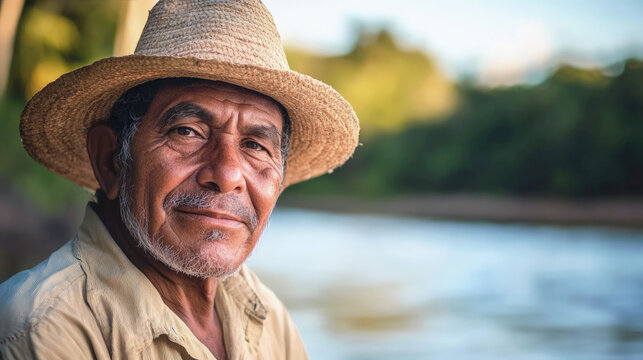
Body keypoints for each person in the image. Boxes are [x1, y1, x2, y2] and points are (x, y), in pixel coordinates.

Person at [0, 0, 359, 359]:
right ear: (110, 160)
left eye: (254, 145)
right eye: (187, 132)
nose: (228, 174)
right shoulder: (45, 328)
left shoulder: (265, 314)